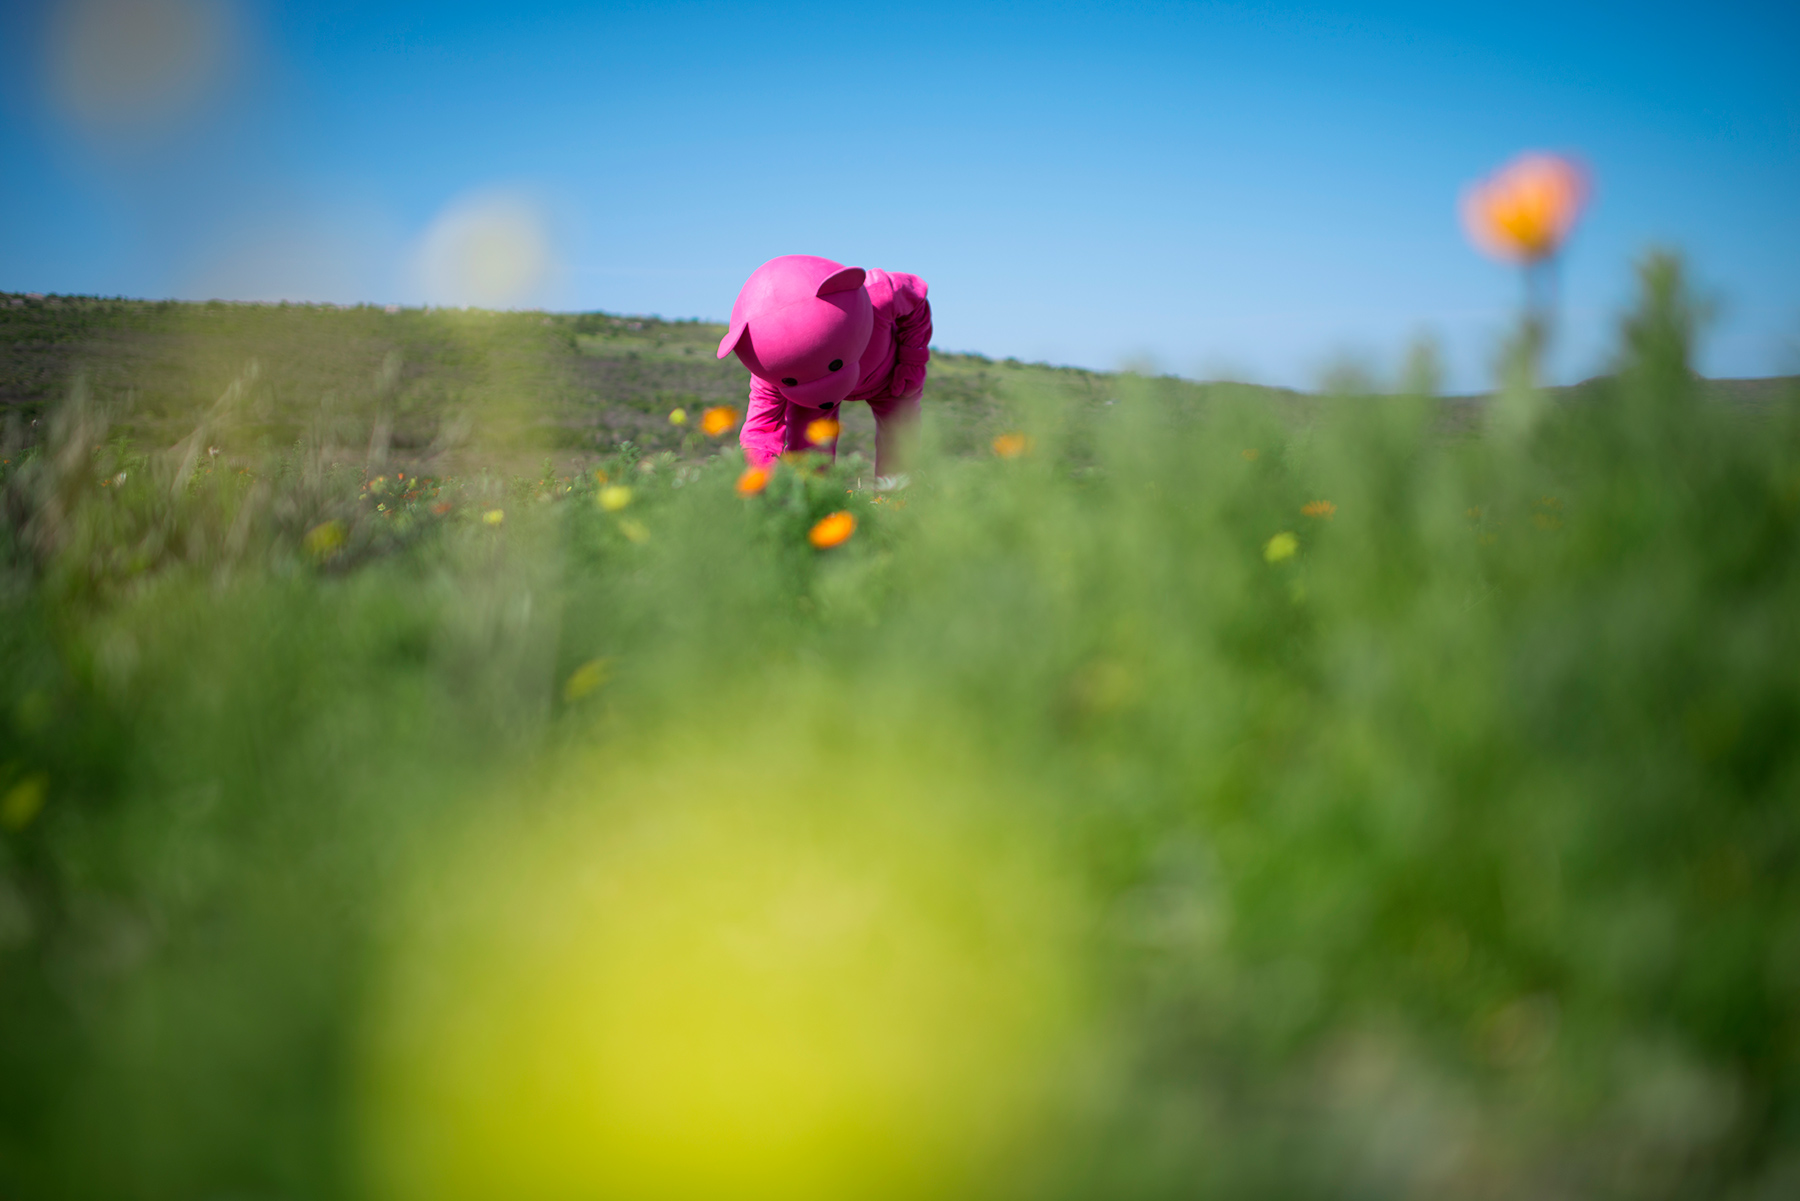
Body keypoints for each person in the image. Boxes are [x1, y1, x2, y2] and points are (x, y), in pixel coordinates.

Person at [717, 255, 931, 482]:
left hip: (889, 377)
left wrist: (911, 362)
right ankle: (815, 507)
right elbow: (760, 430)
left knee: (902, 449)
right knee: (808, 462)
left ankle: (897, 504)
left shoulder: (878, 294)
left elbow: (917, 300)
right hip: (807, 396)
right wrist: (764, 477)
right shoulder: (770, 366)